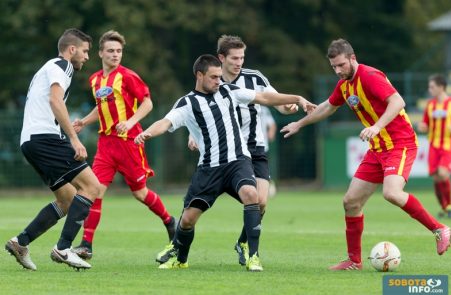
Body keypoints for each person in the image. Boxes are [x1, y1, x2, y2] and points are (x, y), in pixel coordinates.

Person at [281, 39, 451, 271]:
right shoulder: (344, 85)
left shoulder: (370, 76)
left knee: (392, 193)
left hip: (400, 144)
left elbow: (397, 101)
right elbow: (327, 107)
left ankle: (439, 228)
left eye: (341, 65)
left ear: (352, 58)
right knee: (351, 202)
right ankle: (354, 261)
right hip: (378, 149)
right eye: (333, 67)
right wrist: (299, 124)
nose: (338, 70)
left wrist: (376, 127)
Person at [136, 54, 314, 271]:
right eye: (213, 77)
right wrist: (146, 133)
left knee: (253, 196)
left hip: (238, 161)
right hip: (209, 168)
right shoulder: (187, 103)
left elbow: (265, 98)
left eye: (220, 76)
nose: (218, 81)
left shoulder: (229, 91)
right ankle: (180, 259)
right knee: (187, 220)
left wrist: (297, 98)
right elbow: (165, 122)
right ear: (199, 75)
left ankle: (253, 256)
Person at [187, 35, 298, 266]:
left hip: (254, 148)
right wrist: (192, 134)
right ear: (221, 58)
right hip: (225, 151)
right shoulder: (213, 81)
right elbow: (198, 110)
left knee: (262, 202)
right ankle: (179, 240)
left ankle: (243, 242)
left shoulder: (254, 77)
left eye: (242, 57)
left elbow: (273, 98)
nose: (239, 62)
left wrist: (288, 107)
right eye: (235, 58)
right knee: (205, 203)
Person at [71, 30, 176, 260]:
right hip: (106, 144)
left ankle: (170, 222)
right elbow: (102, 109)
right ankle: (86, 244)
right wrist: (84, 122)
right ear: (100, 53)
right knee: (95, 190)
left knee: (140, 193)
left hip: (130, 143)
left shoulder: (128, 76)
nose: (115, 55)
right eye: (110, 51)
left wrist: (129, 123)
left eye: (119, 51)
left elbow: (148, 104)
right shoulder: (95, 79)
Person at [5, 28, 100, 271]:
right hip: (45, 138)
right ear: (71, 49)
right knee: (91, 186)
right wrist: (73, 139)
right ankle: (64, 248)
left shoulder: (46, 68)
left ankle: (20, 242)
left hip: (30, 141)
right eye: (85, 51)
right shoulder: (63, 66)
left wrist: (67, 128)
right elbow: (54, 101)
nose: (87, 57)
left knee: (67, 198)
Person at [418, 74, 451, 218]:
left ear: (441, 87)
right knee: (436, 178)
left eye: (432, 87)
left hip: (448, 145)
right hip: (433, 145)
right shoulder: (430, 105)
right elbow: (425, 124)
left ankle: (449, 205)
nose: (430, 90)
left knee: (443, 173)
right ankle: (444, 208)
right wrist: (423, 126)